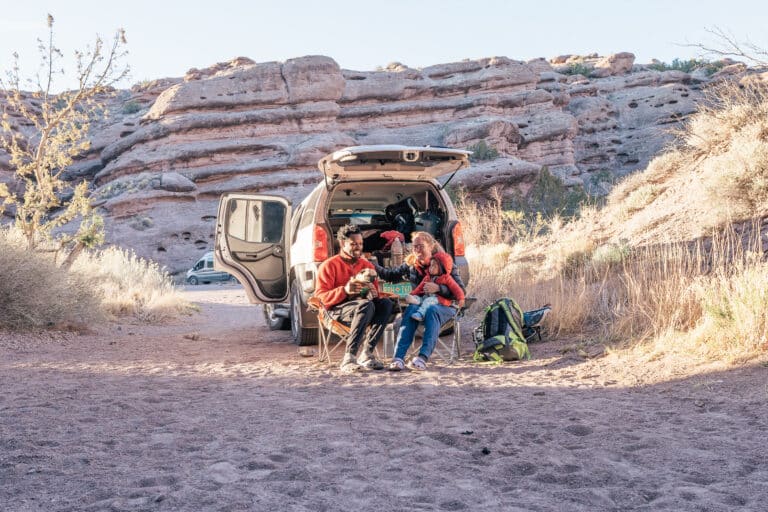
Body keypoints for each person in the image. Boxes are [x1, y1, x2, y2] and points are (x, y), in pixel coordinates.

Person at [373, 231, 466, 371]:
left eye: (421, 246)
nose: (417, 250)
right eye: (414, 246)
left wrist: (439, 288)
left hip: (444, 306)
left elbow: (460, 291)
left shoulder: (444, 263)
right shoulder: (412, 264)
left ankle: (422, 358)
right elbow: (390, 275)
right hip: (421, 305)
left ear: (431, 246)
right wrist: (372, 265)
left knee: (431, 310)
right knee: (410, 309)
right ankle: (398, 358)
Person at [314, 224, 393, 373]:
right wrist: (344, 290)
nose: (359, 247)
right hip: (334, 312)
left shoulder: (366, 264)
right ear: (343, 244)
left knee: (386, 304)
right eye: (354, 244)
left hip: (362, 310)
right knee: (365, 305)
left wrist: (375, 294)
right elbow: (320, 298)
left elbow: (373, 295)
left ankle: (367, 354)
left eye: (361, 244)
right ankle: (349, 358)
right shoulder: (329, 265)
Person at [407, 252, 465, 322]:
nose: (431, 268)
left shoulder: (447, 278)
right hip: (428, 297)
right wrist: (412, 294)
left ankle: (420, 314)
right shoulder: (428, 277)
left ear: (441, 267)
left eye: (434, 266)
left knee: (428, 301)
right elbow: (419, 288)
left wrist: (461, 298)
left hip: (440, 299)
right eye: (430, 266)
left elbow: (457, 289)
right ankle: (417, 301)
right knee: (422, 298)